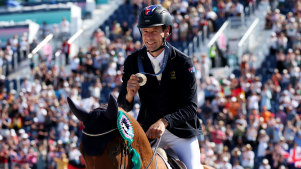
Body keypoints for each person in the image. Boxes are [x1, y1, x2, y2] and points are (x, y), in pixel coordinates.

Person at [117, 5, 203, 169]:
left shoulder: (183, 62)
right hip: (148, 130)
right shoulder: (132, 61)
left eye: (154, 31)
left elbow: (191, 107)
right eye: (145, 32)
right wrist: (129, 94)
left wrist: (164, 122)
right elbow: (123, 106)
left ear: (167, 31)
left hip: (181, 132)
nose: (148, 37)